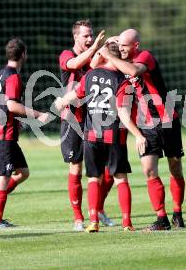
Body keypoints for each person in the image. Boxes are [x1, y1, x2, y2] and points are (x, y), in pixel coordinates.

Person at [100, 29, 186, 231]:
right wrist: (104, 47)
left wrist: (108, 54)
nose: (121, 48)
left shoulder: (144, 56)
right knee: (149, 170)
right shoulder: (120, 69)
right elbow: (98, 66)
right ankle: (161, 219)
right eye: (119, 45)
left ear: (135, 45)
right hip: (146, 126)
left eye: (125, 45)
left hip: (168, 121)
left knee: (175, 168)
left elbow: (134, 71)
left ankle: (178, 212)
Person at [55, 42, 147, 233]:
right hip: (114, 136)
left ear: (103, 56)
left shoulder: (89, 75)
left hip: (91, 136)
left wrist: (61, 101)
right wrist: (138, 135)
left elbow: (74, 95)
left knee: (93, 179)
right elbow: (122, 113)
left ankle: (94, 222)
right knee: (121, 178)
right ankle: (127, 223)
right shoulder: (122, 80)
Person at [0, 38, 49, 228]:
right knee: (3, 177)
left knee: (23, 172)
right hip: (1, 134)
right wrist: (38, 114)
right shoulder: (13, 77)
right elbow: (11, 105)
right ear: (23, 54)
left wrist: (11, 120)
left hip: (0, 130)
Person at [58, 19, 114, 231]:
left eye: (91, 35)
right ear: (75, 37)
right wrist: (94, 49)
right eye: (86, 36)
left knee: (108, 167)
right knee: (76, 168)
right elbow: (75, 64)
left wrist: (111, 49)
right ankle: (78, 218)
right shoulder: (66, 55)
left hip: (95, 117)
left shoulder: (94, 56)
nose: (90, 39)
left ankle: (97, 209)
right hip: (73, 119)